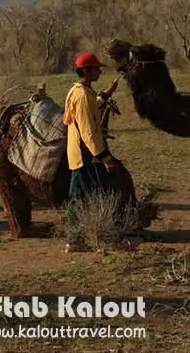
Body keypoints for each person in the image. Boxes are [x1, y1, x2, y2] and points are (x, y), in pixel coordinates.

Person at [63, 52, 121, 253]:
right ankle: (75, 239)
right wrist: (105, 157)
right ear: (86, 71)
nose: (99, 72)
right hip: (85, 155)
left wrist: (106, 94)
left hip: (82, 153)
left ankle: (88, 235)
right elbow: (88, 131)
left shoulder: (80, 91)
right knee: (80, 197)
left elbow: (91, 108)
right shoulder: (81, 95)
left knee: (87, 194)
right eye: (96, 69)